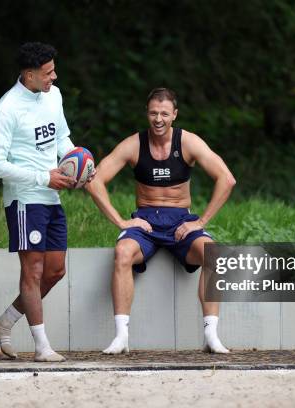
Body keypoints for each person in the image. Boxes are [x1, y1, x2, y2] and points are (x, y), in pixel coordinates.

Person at [85, 87, 236, 354]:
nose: (158, 119)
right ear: (147, 113)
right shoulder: (134, 144)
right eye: (153, 113)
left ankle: (211, 335)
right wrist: (121, 222)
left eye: (164, 114)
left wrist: (200, 222)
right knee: (122, 253)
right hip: (146, 222)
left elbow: (227, 179)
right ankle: (121, 336)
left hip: (181, 221)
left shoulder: (188, 142)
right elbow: (94, 179)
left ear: (174, 115)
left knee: (214, 255)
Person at [0, 42, 79, 362]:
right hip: (25, 199)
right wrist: (43, 177)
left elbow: (61, 139)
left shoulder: (53, 96)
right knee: (34, 270)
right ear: (29, 75)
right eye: (48, 72)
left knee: (55, 270)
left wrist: (79, 163)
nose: (55, 76)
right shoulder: (7, 109)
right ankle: (42, 347)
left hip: (51, 197)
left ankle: (5, 322)